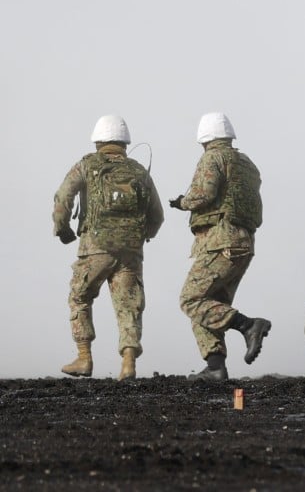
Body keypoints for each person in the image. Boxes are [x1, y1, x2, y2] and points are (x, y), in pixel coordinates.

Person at [52, 115, 164, 380]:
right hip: (131, 252)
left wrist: (62, 229)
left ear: (98, 141)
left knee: (80, 296)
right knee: (129, 306)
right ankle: (128, 364)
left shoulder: (86, 165)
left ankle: (84, 358)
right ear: (125, 142)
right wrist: (141, 237)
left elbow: (62, 197)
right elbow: (157, 215)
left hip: (95, 247)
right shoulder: (139, 171)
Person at [169, 112, 271, 381]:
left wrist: (182, 202)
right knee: (210, 307)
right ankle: (215, 366)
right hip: (243, 242)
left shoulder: (213, 157)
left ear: (204, 139)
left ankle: (248, 325)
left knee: (192, 299)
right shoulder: (247, 163)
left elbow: (204, 193)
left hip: (220, 243)